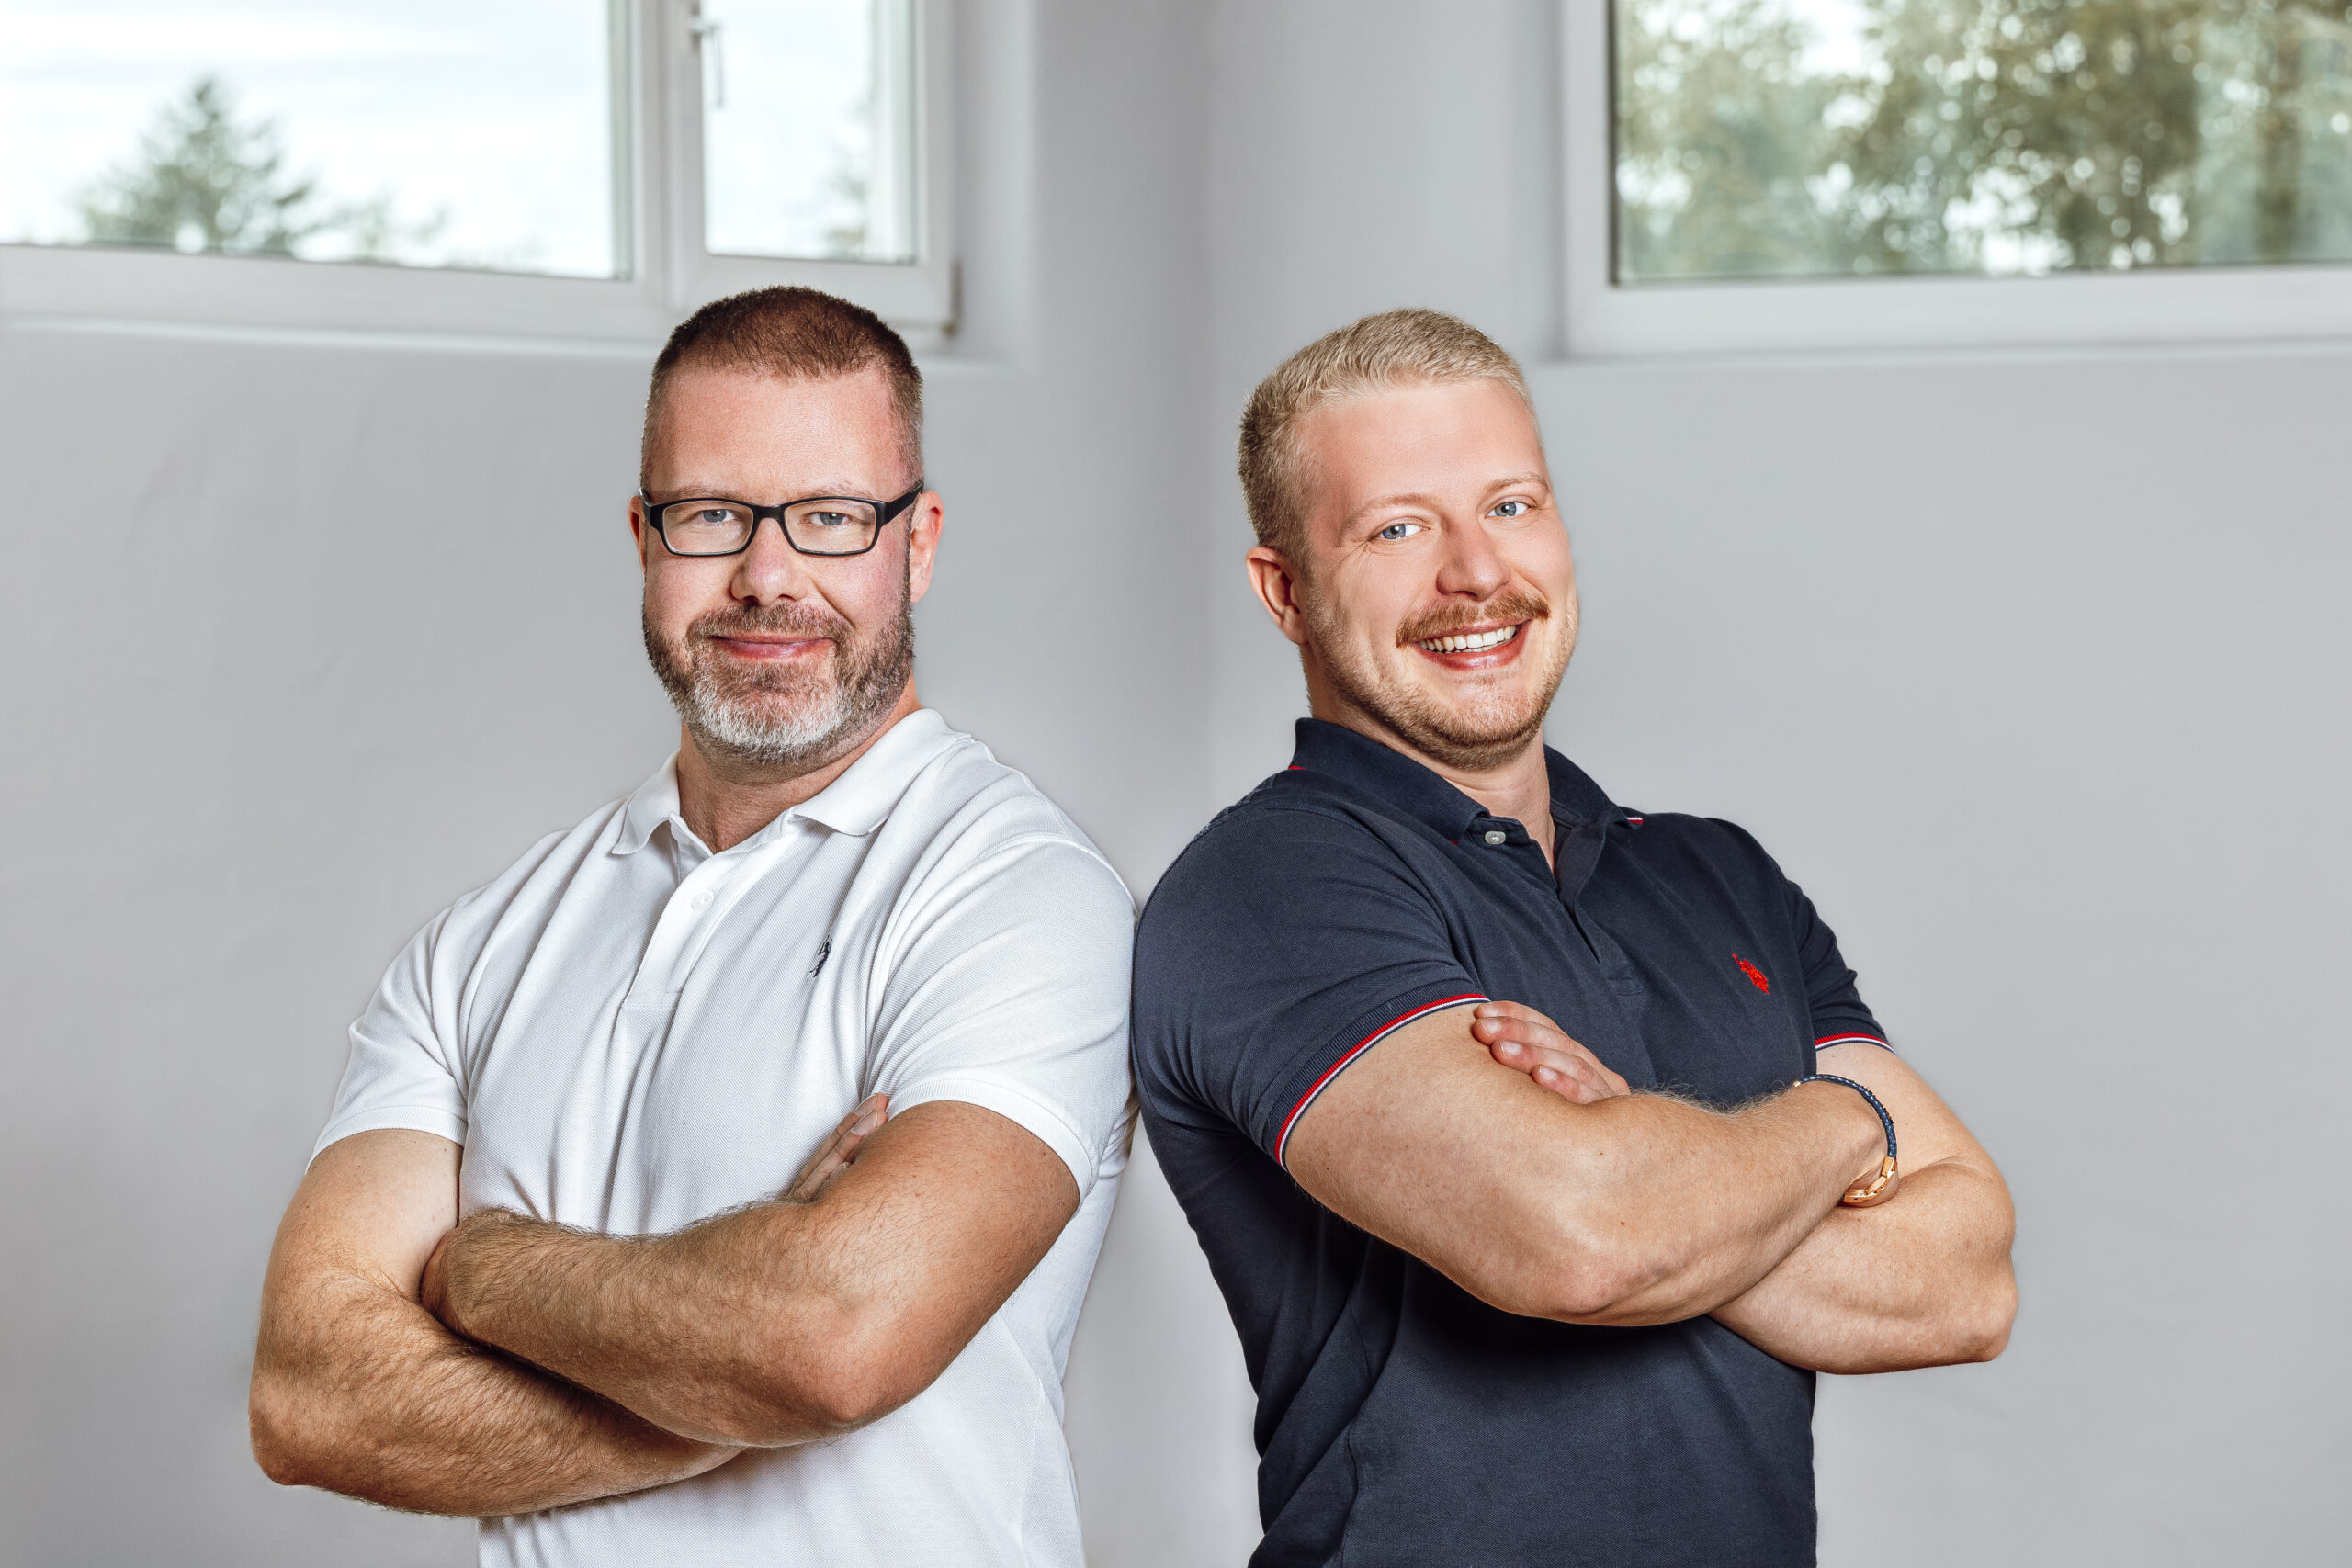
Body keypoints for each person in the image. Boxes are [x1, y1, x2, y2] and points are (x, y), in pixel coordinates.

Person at [250, 287, 1136, 1568]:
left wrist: (482, 1271)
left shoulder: (1017, 892)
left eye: (831, 518)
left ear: (918, 543)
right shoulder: (483, 947)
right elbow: (309, 1397)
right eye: (712, 515)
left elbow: (835, 1342)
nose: (767, 578)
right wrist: (726, 1404)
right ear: (644, 537)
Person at [1131, 309, 2017, 1567]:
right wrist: (1844, 1123)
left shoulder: (1720, 877)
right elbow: (1583, 1242)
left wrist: (1650, 1167)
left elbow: (1967, 1285)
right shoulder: (1266, 885)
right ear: (1286, 592)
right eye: (1397, 529)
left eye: (1510, 506)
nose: (1475, 574)